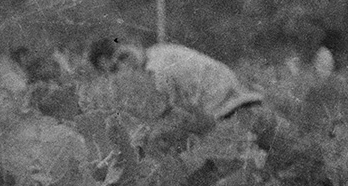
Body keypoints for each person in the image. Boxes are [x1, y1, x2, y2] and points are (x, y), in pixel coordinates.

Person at [88, 33, 264, 121]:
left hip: (226, 108)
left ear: (131, 45)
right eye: (115, 70)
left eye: (122, 57)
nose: (123, 67)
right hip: (234, 97)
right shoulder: (157, 51)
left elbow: (168, 113)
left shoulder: (156, 69)